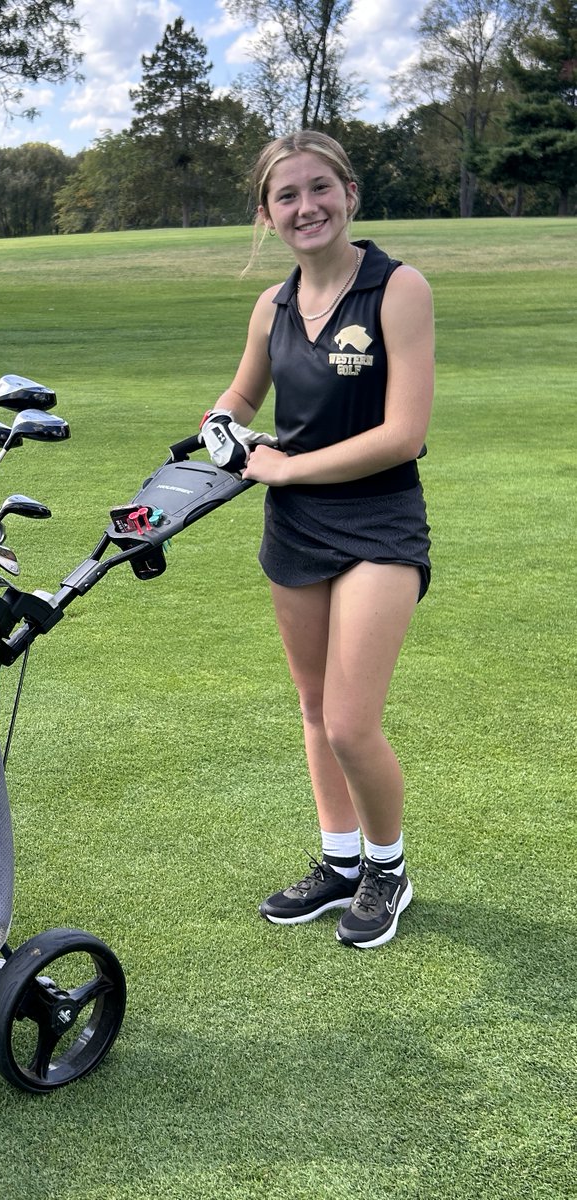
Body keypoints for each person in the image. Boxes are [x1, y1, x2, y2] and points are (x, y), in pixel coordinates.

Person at [201, 130, 433, 949]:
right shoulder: (270, 305)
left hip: (379, 521)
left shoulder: (398, 289)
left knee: (348, 721)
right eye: (287, 196)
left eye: (319, 188)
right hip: (296, 528)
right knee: (310, 706)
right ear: (267, 214)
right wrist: (221, 421)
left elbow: (404, 433)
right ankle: (340, 863)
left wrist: (289, 469)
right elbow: (242, 389)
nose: (307, 207)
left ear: (350, 193)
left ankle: (387, 868)